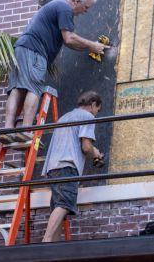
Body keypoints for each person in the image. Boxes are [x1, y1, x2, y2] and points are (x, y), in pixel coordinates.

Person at [0, 0, 109, 144]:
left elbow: (70, 44)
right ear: (76, 0)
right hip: (35, 52)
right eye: (85, 7)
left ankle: (8, 130)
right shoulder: (65, 8)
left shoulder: (57, 6)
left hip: (22, 48)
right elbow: (69, 38)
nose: (85, 11)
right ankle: (25, 130)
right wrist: (92, 45)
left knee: (17, 89)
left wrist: (89, 47)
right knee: (34, 88)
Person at [41, 91, 104, 242]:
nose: (96, 114)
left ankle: (52, 250)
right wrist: (97, 155)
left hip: (52, 167)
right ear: (93, 104)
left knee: (58, 206)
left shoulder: (65, 117)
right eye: (98, 110)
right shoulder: (87, 117)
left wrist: (94, 152)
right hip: (67, 165)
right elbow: (86, 147)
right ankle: (46, 241)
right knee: (64, 204)